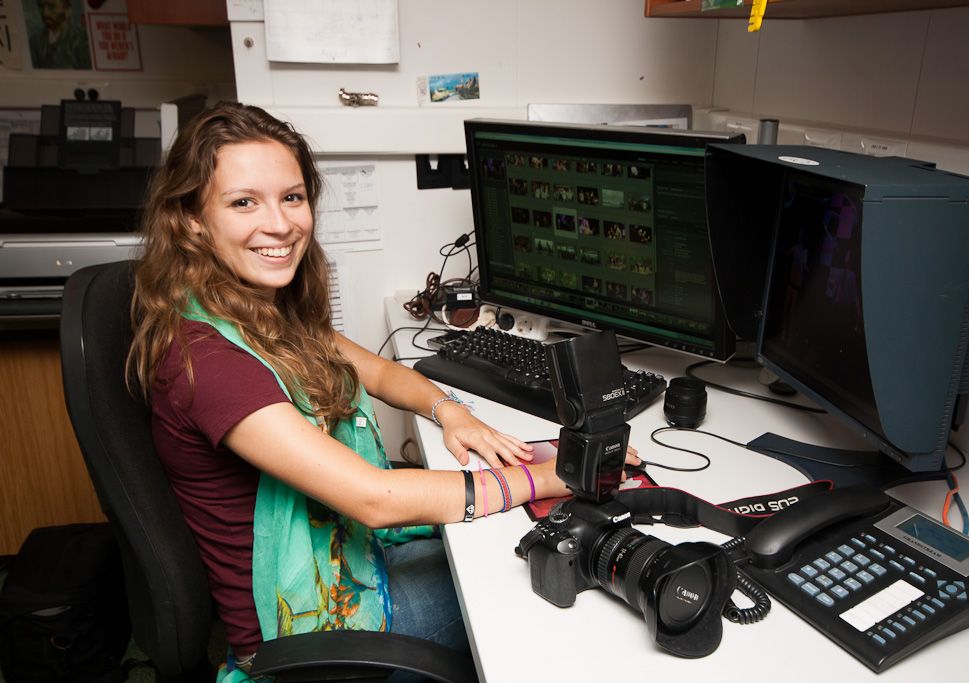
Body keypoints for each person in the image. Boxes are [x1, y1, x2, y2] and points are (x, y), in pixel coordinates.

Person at [127, 102, 639, 680]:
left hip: (351, 560)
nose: (279, 224)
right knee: (536, 583)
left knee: (516, 536)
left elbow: (384, 374)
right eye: (244, 202)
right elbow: (374, 498)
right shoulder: (209, 360)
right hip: (309, 627)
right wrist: (556, 474)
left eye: (292, 197)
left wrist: (450, 412)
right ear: (193, 220)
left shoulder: (259, 313)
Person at [27, 0, 91, 70]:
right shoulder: (34, 41)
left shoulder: (82, 39)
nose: (45, 13)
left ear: (67, 10)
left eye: (52, 6)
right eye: (41, 7)